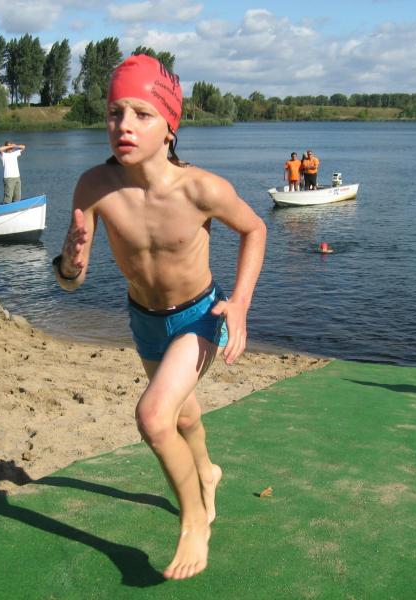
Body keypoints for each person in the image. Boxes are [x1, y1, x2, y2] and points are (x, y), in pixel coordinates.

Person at [53, 54, 266, 581]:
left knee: (153, 417)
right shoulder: (94, 187)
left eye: (141, 114)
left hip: (200, 317)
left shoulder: (201, 189)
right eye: (114, 113)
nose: (123, 125)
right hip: (144, 320)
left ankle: (193, 521)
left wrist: (240, 303)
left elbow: (255, 229)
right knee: (183, 417)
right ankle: (207, 473)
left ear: (170, 127)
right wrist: (70, 264)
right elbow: (70, 281)